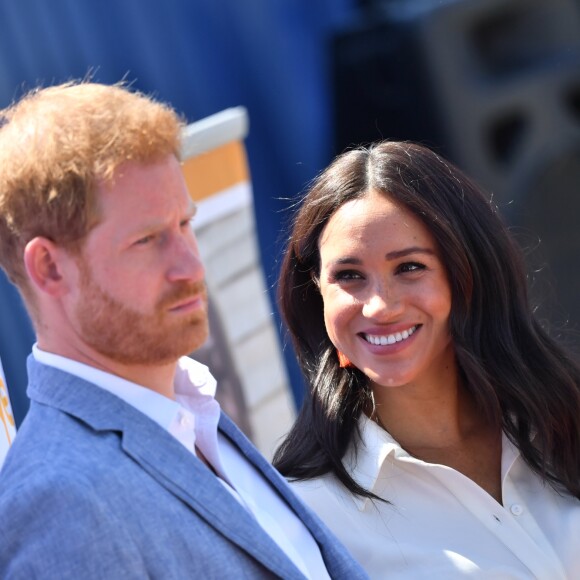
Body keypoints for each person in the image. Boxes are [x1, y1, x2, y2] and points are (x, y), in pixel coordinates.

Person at [0, 81, 367, 579]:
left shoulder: (194, 413)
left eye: (185, 224)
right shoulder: (58, 502)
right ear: (48, 267)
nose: (191, 265)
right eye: (148, 239)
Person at [273, 140, 580, 578]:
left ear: (467, 272)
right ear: (316, 291)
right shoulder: (304, 515)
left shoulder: (559, 419)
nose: (380, 306)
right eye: (349, 276)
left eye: (409, 267)